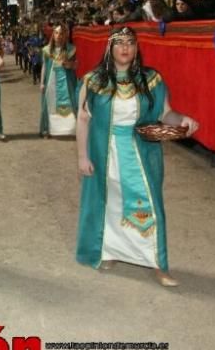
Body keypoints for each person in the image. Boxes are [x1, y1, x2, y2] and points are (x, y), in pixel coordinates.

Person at [75, 26, 199, 287]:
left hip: (141, 153)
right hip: (104, 151)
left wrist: (183, 119)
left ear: (136, 47)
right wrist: (82, 157)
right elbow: (83, 119)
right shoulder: (93, 80)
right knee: (109, 202)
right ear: (110, 47)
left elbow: (166, 114)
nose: (125, 48)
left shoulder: (151, 79)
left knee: (149, 203)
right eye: (119, 43)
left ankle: (158, 262)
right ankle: (109, 251)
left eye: (130, 43)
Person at [40, 24, 78, 138]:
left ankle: (71, 129)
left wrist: (70, 65)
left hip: (67, 81)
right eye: (56, 33)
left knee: (70, 102)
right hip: (51, 81)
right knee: (51, 103)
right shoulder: (47, 50)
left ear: (65, 35)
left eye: (61, 33)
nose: (58, 36)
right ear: (53, 34)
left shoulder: (71, 49)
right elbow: (44, 67)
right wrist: (42, 82)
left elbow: (77, 66)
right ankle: (49, 129)